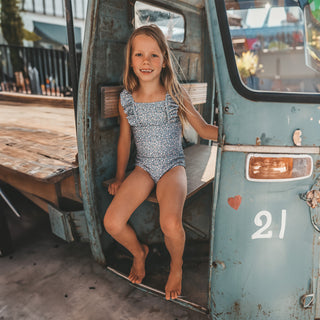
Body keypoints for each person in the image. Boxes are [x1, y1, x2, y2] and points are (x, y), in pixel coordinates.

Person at [103, 24, 218, 301]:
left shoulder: (174, 94)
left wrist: (236, 134)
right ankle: (139, 252)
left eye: (154, 55)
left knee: (170, 224)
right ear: (130, 60)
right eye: (139, 54)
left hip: (172, 166)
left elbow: (203, 130)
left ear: (164, 60)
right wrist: (120, 177)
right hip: (144, 167)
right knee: (112, 222)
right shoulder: (126, 100)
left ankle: (175, 265)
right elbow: (125, 141)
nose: (146, 61)